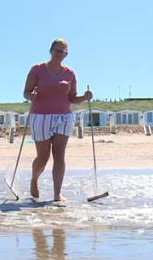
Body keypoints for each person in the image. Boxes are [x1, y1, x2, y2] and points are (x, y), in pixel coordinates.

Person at [23, 38, 93, 203]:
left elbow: (72, 98)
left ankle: (57, 194)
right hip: (40, 116)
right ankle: (34, 179)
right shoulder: (37, 69)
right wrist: (30, 95)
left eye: (64, 51)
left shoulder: (70, 73)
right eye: (57, 50)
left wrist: (84, 97)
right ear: (51, 50)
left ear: (66, 54)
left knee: (59, 155)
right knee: (43, 157)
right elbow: (26, 92)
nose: (60, 53)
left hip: (64, 116)